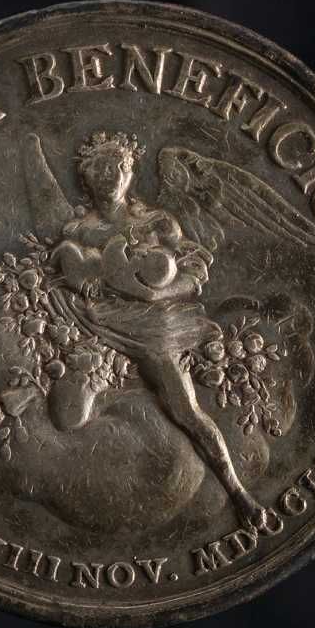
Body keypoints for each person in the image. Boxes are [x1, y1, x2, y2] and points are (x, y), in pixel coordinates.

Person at [46, 132, 267, 529]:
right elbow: (64, 273)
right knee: (66, 412)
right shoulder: (78, 231)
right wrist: (80, 283)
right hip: (93, 324)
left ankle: (236, 491)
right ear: (87, 176)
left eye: (119, 167)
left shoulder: (156, 223)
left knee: (187, 411)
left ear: (130, 174)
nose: (111, 175)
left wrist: (157, 292)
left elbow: (194, 272)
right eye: (102, 168)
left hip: (153, 327)